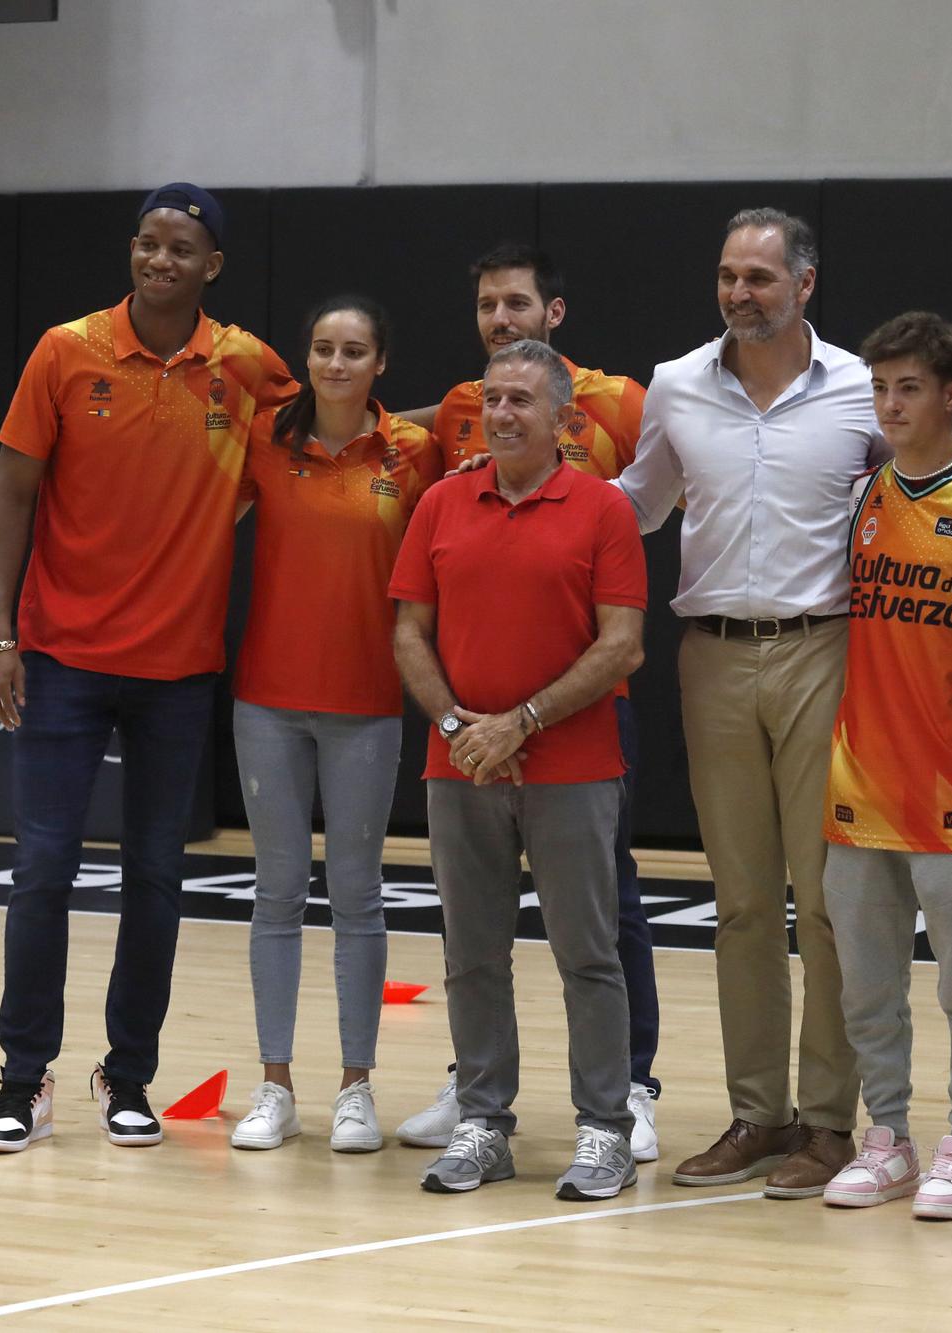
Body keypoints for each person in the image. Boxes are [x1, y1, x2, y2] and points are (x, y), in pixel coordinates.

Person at [0, 184, 292, 1153]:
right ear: (133, 251)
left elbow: (322, 431)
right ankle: (23, 1078)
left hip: (177, 670)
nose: (160, 260)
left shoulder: (245, 367)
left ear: (213, 265)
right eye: (148, 244)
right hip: (62, 659)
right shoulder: (66, 350)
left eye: (181, 248)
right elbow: (11, 492)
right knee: (43, 871)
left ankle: (130, 1075)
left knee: (155, 875)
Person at [617, 208, 883, 1199]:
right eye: (728, 275)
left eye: (760, 278)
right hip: (712, 657)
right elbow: (636, 504)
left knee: (822, 904)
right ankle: (756, 1114)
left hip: (826, 650)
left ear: (804, 283)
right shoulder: (676, 385)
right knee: (738, 904)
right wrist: (528, 490)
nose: (740, 293)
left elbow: (909, 499)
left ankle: (827, 1123)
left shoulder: (860, 387)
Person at [389, 244, 665, 1165]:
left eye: (521, 401)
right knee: (472, 955)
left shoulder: (604, 506)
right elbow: (408, 635)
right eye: (492, 398)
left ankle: (606, 1124)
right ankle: (482, 1120)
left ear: (563, 416)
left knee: (590, 950)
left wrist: (523, 722)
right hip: (459, 759)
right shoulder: (438, 503)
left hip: (571, 758)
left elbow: (622, 643)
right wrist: (463, 726)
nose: (500, 412)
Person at [226, 296, 441, 1155]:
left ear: (380, 363)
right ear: (306, 360)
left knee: (357, 894)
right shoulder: (263, 443)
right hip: (267, 701)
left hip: (366, 703)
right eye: (322, 349)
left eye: (354, 351)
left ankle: (357, 1086)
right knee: (276, 893)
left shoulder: (413, 453)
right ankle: (274, 1084)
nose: (336, 364)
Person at [818, 312, 952, 1222]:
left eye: (909, 388)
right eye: (880, 387)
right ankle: (887, 1137)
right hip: (860, 785)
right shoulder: (861, 496)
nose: (891, 404)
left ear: (950, 396)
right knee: (869, 987)